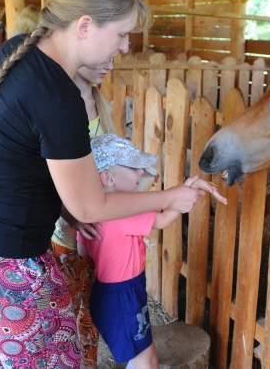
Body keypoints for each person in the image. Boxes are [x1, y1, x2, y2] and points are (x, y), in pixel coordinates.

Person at [0, 0, 209, 368]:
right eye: (121, 34)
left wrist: (67, 206)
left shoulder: (19, 52)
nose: (124, 47)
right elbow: (92, 207)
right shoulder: (58, 97)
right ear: (85, 25)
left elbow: (16, 157)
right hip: (8, 258)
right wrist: (171, 197)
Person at [77, 134, 226, 369]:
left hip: (108, 293)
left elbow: (82, 252)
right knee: (147, 361)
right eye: (134, 168)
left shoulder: (90, 213)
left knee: (144, 356)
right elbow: (165, 219)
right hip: (125, 297)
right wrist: (189, 190)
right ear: (108, 178)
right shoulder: (123, 211)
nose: (141, 173)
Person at [50, 66, 116, 369]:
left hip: (98, 234)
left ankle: (88, 364)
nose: (111, 65)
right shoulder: (56, 105)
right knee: (62, 315)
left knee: (92, 312)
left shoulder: (103, 106)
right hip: (61, 237)